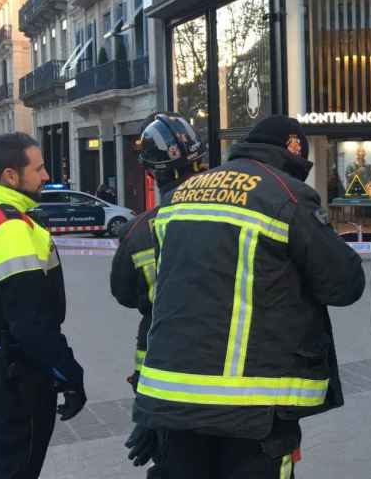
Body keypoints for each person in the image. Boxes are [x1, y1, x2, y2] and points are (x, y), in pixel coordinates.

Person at [133, 115, 365, 479]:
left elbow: (162, 298)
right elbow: (345, 284)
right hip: (252, 411)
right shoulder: (285, 193)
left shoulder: (179, 196)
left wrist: (148, 410)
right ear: (292, 156)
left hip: (171, 401)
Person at [0, 133, 86, 478]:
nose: (46, 176)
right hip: (15, 376)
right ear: (10, 176)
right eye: (38, 169)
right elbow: (31, 322)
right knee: (14, 467)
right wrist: (69, 374)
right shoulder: (9, 228)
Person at [110, 113, 206, 476]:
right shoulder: (231, 215)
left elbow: (123, 293)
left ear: (152, 173)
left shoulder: (139, 230)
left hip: (161, 371)